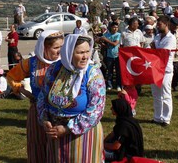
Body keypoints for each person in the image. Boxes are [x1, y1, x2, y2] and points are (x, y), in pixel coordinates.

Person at [37, 34, 106, 163]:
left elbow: (96, 109)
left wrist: (68, 129)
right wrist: (44, 119)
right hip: (55, 132)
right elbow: (42, 96)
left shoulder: (93, 73)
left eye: (87, 51)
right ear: (68, 52)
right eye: (80, 52)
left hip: (82, 134)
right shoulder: (54, 69)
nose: (85, 56)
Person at [6, 30, 64, 162]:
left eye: (62, 47)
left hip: (60, 113)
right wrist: (25, 92)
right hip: (37, 110)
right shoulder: (31, 63)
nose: (60, 51)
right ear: (44, 48)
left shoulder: (66, 63)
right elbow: (11, 76)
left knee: (58, 147)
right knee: (37, 143)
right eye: (56, 48)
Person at [150, 15, 176, 126]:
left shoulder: (171, 38)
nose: (158, 26)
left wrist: (154, 49)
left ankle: (166, 118)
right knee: (156, 94)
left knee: (165, 93)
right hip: (155, 69)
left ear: (166, 24)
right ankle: (157, 117)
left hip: (166, 70)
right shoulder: (156, 37)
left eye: (159, 24)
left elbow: (162, 53)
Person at [100, 22, 121, 90]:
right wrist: (103, 43)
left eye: (116, 27)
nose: (115, 29)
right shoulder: (107, 34)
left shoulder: (118, 35)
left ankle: (118, 85)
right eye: (114, 27)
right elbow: (100, 40)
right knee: (109, 71)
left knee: (118, 71)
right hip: (109, 55)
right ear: (111, 28)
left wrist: (106, 40)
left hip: (117, 55)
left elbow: (115, 44)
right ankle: (109, 84)